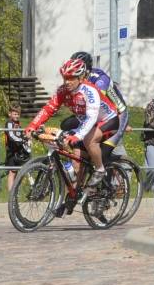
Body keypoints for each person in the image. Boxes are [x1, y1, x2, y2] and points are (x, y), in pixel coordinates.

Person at [25, 56, 119, 215]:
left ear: (80, 77)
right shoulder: (63, 91)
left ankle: (100, 169)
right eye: (65, 78)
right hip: (87, 124)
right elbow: (49, 108)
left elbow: (91, 117)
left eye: (71, 78)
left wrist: (78, 135)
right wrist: (33, 125)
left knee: (89, 140)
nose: (67, 81)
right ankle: (73, 197)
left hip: (107, 121)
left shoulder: (90, 91)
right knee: (76, 160)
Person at [3, 105, 31, 190]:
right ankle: (10, 192)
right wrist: (23, 140)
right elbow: (11, 135)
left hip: (18, 149)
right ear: (10, 114)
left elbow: (20, 134)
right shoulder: (9, 123)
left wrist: (26, 138)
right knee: (12, 172)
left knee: (18, 170)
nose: (17, 116)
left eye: (18, 114)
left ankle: (15, 191)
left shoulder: (18, 123)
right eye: (15, 114)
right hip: (11, 150)